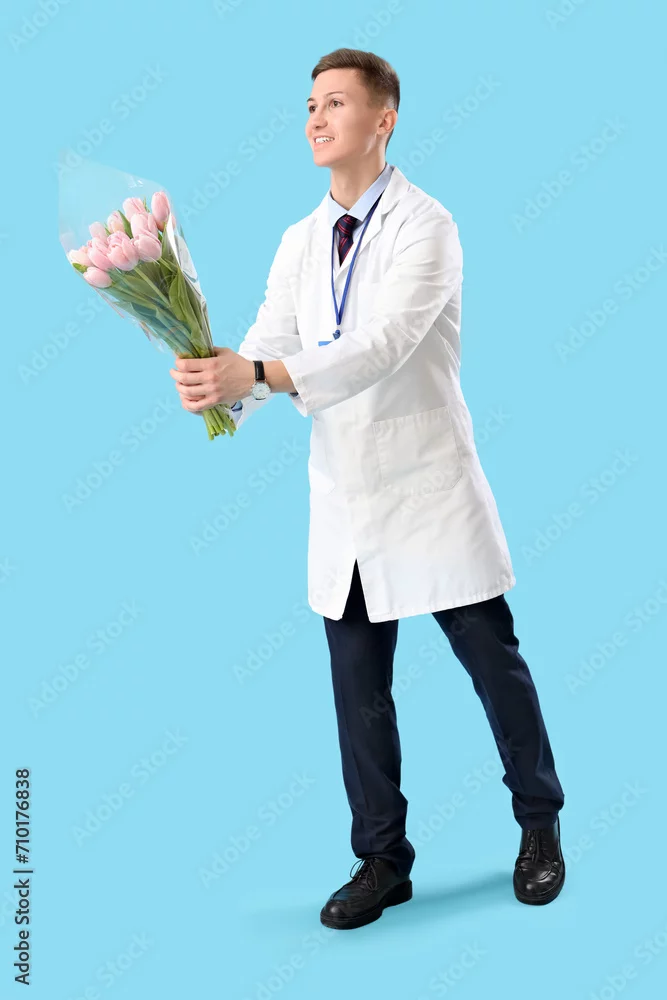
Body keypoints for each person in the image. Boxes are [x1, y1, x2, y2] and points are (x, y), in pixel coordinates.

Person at [169, 47, 565, 930]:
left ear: (383, 120)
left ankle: (539, 824)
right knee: (358, 693)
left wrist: (256, 374)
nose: (315, 118)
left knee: (493, 665)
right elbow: (268, 342)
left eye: (336, 103)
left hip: (429, 488)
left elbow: (380, 344)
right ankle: (382, 859)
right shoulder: (299, 240)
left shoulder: (428, 226)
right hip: (346, 499)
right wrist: (218, 388)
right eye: (310, 103)